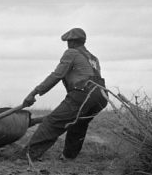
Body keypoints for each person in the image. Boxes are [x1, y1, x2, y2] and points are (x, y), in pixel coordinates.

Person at [22, 28, 108, 161]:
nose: (67, 44)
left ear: (71, 42)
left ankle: (28, 156)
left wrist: (34, 93)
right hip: (101, 96)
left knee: (52, 123)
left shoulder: (71, 52)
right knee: (79, 124)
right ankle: (68, 157)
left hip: (85, 93)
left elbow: (57, 75)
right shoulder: (93, 58)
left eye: (68, 41)